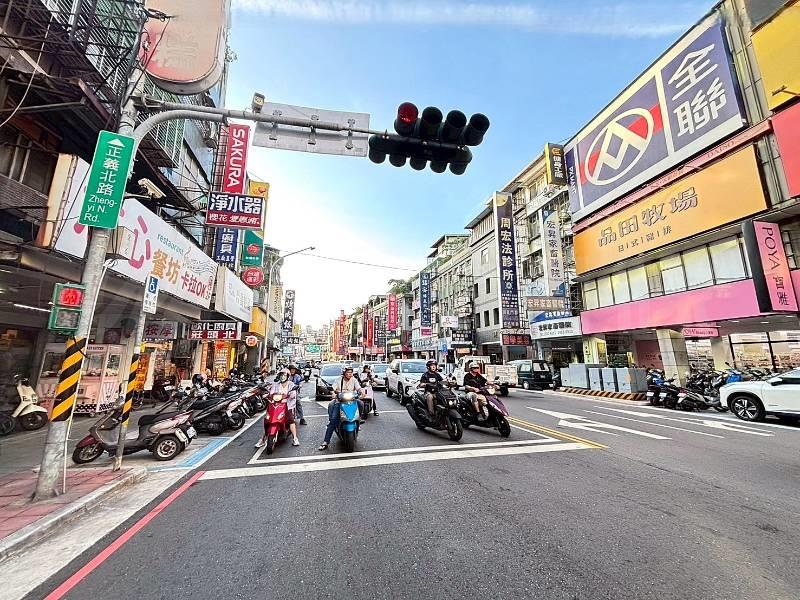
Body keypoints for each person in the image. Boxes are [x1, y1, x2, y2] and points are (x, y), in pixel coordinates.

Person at [318, 366, 364, 451]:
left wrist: (362, 392)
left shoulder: (354, 380)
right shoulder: (339, 380)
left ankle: (359, 419)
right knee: (333, 420)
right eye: (348, 372)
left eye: (351, 372)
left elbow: (359, 388)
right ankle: (326, 441)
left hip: (352, 400)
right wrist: (333, 393)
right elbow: (333, 388)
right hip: (340, 401)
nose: (350, 374)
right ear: (344, 373)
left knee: (361, 403)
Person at [255, 368, 300, 448]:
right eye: (281, 375)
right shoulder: (276, 385)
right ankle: (262, 440)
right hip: (275, 405)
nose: (282, 377)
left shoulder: (291, 385)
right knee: (268, 421)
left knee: (290, 420)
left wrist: (291, 395)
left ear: (288, 376)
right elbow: (271, 393)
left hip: (287, 405)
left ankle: (295, 438)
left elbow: (293, 394)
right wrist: (267, 395)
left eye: (284, 375)